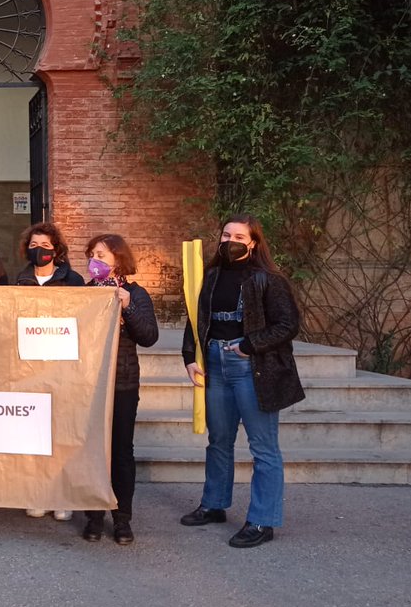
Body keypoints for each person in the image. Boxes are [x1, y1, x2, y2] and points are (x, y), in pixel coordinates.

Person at [180, 214, 303, 548]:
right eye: (225, 234)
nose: (230, 241)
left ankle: (263, 520)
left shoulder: (268, 279)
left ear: (253, 243)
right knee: (219, 440)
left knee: (263, 446)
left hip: (252, 367)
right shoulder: (211, 276)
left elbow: (288, 323)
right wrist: (190, 356)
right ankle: (214, 504)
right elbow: (196, 318)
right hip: (215, 365)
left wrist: (250, 345)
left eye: (238, 236)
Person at [79, 234, 158, 546]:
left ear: (118, 259)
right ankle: (94, 515)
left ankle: (122, 517)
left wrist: (127, 307)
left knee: (122, 451)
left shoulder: (135, 293)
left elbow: (149, 335)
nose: (94, 260)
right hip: (89, 385)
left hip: (123, 383)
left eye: (101, 254)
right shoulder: (84, 294)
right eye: (92, 254)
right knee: (92, 449)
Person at [15, 221, 84, 521]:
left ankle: (63, 495)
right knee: (35, 434)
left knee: (62, 433)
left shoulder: (73, 280)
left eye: (45, 246)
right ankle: (38, 492)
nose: (39, 251)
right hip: (31, 367)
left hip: (64, 366)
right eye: (33, 245)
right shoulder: (21, 281)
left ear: (57, 250)